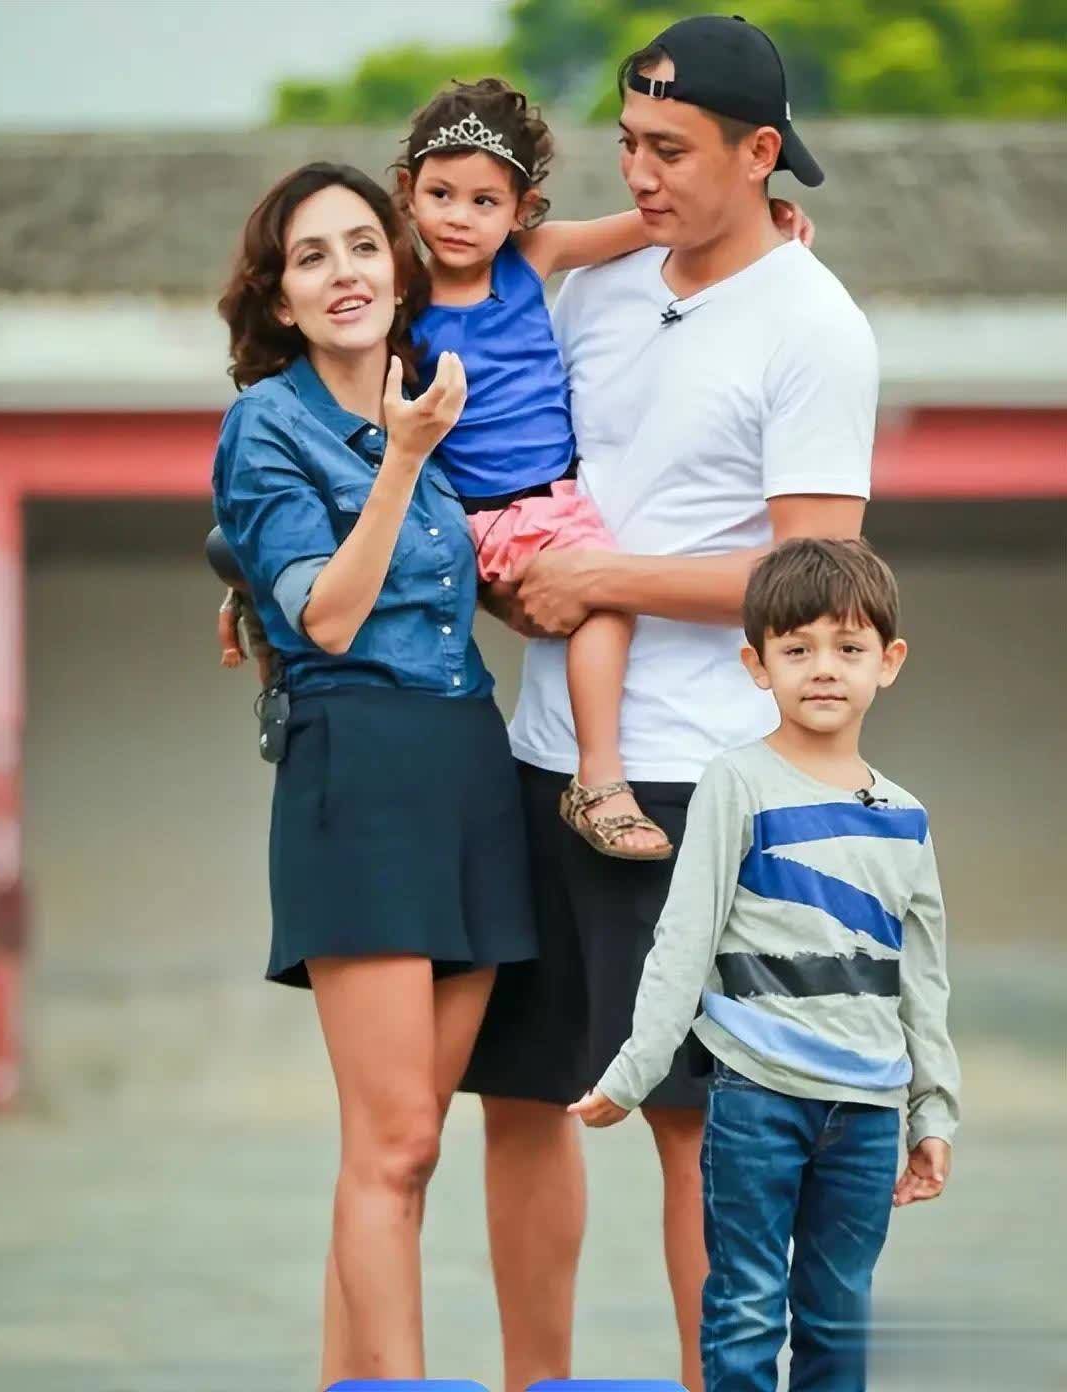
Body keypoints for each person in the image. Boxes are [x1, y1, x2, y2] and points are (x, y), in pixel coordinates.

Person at [460, 16, 880, 1392]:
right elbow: (516, 477)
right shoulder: (590, 288)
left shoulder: (814, 326)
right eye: (628, 144)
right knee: (521, 1102)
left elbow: (817, 576)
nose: (638, 174)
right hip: (544, 757)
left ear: (760, 156)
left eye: (671, 151)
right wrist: (522, 589)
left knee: (699, 1129)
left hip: (703, 782)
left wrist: (603, 579)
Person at [211, 159, 536, 1383]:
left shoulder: (437, 393)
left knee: (409, 1151)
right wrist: (400, 459)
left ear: (398, 271)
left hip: (467, 763)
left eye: (361, 245)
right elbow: (329, 617)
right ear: (279, 298)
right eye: (310, 257)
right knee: (390, 1146)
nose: (343, 272)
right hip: (357, 765)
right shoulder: (268, 423)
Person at [572, 537, 961, 1392]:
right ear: (757, 665)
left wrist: (932, 1112)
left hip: (868, 1110)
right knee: (746, 1305)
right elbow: (685, 936)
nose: (824, 669)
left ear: (888, 662)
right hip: (757, 1096)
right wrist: (635, 1070)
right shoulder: (737, 783)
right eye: (797, 649)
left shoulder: (906, 816)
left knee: (838, 1312)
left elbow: (922, 978)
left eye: (848, 648)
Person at [395, 76, 810, 861]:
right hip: (489, 509)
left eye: (485, 202)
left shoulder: (532, 260)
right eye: (440, 195)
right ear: (408, 192)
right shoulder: (400, 303)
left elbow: (650, 228)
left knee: (600, 593)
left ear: (522, 210)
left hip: (552, 501)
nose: (458, 217)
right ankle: (600, 777)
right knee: (607, 604)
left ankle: (590, 769)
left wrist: (761, 219)